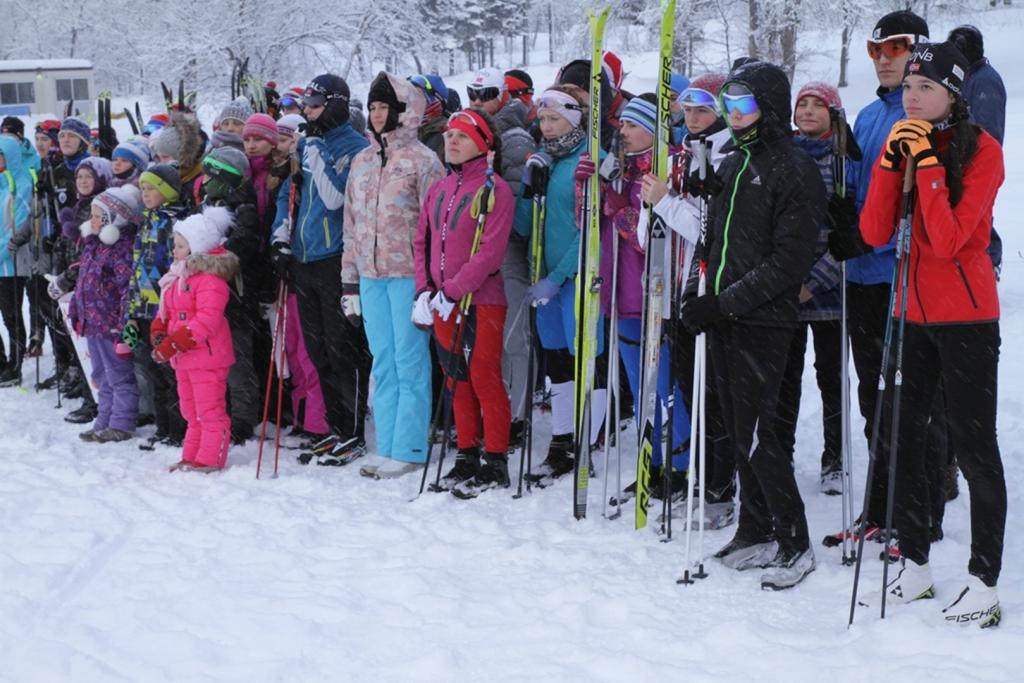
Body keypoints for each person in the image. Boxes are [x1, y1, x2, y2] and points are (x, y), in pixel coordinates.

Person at [859, 41, 1005, 628]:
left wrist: (928, 167)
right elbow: (873, 230)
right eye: (908, 89)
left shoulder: (982, 151)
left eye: (925, 88)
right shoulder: (905, 140)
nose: (912, 97)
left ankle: (984, 580)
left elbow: (949, 242)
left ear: (953, 95)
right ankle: (915, 565)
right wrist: (892, 167)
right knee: (904, 438)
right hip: (909, 314)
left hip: (966, 316)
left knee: (974, 449)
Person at [681, 61, 826, 590]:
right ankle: (755, 528)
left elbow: (788, 263)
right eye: (729, 107)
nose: (734, 117)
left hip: (762, 320)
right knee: (741, 433)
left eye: (744, 106)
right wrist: (702, 290)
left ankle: (794, 541)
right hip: (724, 315)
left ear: (769, 107)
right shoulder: (735, 163)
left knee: (764, 436)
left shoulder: (792, 167)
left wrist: (724, 304)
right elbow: (713, 238)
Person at [826, 9, 929, 543]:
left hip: (899, 276)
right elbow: (862, 191)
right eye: (875, 49)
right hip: (860, 278)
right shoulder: (868, 114)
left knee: (903, 396)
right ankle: (881, 506)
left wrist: (869, 236)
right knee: (873, 395)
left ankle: (914, 511)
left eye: (897, 47)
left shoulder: (922, 117)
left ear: (920, 52)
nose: (885, 58)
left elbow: (916, 206)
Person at [636, 72, 737, 527]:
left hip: (711, 295)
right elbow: (648, 236)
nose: (693, 118)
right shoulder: (678, 156)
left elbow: (708, 231)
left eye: (704, 110)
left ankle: (720, 488)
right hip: (674, 294)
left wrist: (665, 204)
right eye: (689, 109)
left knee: (714, 399)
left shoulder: (728, 155)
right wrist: (651, 206)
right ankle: (697, 477)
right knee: (688, 394)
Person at [341, 72, 445, 480]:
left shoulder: (423, 161)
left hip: (409, 275)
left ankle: (410, 446)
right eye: (373, 106)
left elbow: (436, 225)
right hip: (370, 275)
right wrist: (349, 281)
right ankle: (387, 444)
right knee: (382, 361)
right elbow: (351, 223)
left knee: (410, 359)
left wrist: (430, 282)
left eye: (385, 106)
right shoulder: (362, 161)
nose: (377, 113)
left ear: (403, 111)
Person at [587, 94, 688, 501]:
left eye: (632, 125)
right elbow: (591, 226)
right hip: (619, 292)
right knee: (639, 384)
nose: (623, 132)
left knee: (664, 387)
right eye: (622, 125)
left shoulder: (667, 166)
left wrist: (622, 210)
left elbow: (657, 238)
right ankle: (652, 460)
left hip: (654, 291)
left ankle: (679, 466)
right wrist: (591, 193)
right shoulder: (620, 167)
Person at [271, 74, 372, 466]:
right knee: (317, 352)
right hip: (305, 258)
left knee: (342, 348)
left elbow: (334, 200)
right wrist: (282, 240)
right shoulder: (310, 146)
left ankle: (352, 430)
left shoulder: (354, 148)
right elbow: (288, 196)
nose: (307, 111)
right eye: (305, 105)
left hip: (336, 259)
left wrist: (312, 152)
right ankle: (334, 426)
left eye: (314, 105)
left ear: (334, 105)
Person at [413, 108, 514, 499]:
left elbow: (489, 253)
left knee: (483, 376)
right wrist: (425, 290)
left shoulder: (494, 189)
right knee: (455, 378)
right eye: (449, 136)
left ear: (483, 144)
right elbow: (422, 241)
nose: (451, 142)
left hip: (480, 299)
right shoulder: (439, 189)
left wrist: (453, 290)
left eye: (462, 137)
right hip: (441, 301)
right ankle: (466, 454)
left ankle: (496, 458)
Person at [513, 84, 603, 485]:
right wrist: (528, 189)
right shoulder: (544, 161)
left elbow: (590, 232)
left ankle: (586, 439)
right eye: (543, 120)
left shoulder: (590, 160)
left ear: (574, 118)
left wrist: (559, 275)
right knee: (558, 362)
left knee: (586, 359)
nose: (546, 127)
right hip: (544, 278)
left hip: (577, 278)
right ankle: (562, 441)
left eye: (555, 119)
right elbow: (522, 226)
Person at [775, 81, 855, 495]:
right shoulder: (782, 158)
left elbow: (849, 237)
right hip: (784, 286)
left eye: (817, 105)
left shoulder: (844, 162)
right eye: (801, 104)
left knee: (831, 377)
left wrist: (816, 281)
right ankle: (780, 454)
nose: (806, 111)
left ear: (833, 113)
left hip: (829, 289)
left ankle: (836, 457)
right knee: (784, 378)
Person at [467, 67, 536, 447]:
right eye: (472, 93)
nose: (478, 101)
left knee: (513, 338)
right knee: (484, 341)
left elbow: (512, 209)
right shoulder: (471, 130)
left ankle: (517, 415)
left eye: (487, 93)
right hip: (477, 255)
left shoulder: (513, 137)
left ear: (504, 95)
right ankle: (492, 411)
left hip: (507, 252)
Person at [153, 206, 237, 473]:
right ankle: (191, 455)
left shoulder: (210, 280)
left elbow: (206, 320)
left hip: (206, 356)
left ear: (197, 247)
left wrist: (175, 342)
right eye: (174, 244)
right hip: (185, 358)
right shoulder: (177, 277)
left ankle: (211, 457)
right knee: (191, 411)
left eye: (179, 245)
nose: (174, 250)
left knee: (209, 410)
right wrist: (159, 329)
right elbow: (167, 310)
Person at [66, 186, 142, 443]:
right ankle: (104, 419)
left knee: (118, 374)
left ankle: (122, 422)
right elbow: (83, 282)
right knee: (100, 374)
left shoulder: (121, 249)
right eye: (93, 215)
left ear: (114, 219)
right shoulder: (93, 245)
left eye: (99, 216)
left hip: (110, 324)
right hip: (92, 322)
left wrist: (123, 325)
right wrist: (77, 309)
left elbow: (126, 290)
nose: (93, 221)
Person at [199, 146, 263, 444]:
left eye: (210, 175)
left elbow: (239, 251)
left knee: (238, 360)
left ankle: (242, 418)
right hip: (209, 297)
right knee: (214, 358)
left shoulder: (243, 209)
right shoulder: (209, 204)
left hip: (236, 297)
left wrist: (206, 259)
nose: (204, 181)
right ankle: (217, 410)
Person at [126, 164, 189, 450]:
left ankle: (179, 428)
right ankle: (163, 426)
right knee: (154, 370)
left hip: (166, 310)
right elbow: (137, 267)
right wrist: (132, 308)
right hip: (144, 308)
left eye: (151, 188)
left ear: (165, 190)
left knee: (171, 372)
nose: (146, 193)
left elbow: (177, 267)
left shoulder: (175, 222)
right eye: (143, 188)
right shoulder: (147, 220)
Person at [949, 24, 1005, 274]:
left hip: (977, 161)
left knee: (978, 215)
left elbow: (987, 129)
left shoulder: (985, 81)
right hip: (962, 157)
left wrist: (968, 157)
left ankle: (988, 263)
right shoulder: (967, 75)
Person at [0, 135, 34, 386]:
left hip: (12, 264)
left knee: (11, 316)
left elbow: (18, 228)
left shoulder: (22, 185)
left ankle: (15, 365)